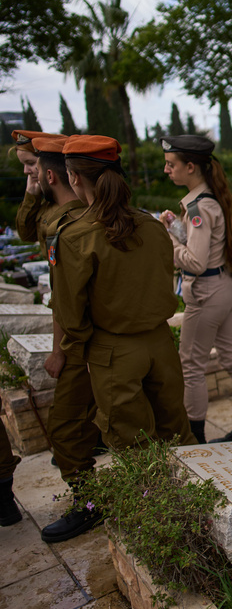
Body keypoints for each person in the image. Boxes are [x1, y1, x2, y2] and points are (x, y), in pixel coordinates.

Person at [47, 134, 195, 542]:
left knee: (133, 445)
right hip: (160, 343)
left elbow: (70, 312)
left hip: (113, 348)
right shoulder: (149, 224)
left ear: (75, 179)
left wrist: (79, 347)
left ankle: (163, 531)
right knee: (176, 431)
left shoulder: (77, 235)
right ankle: (194, 507)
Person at [158, 135, 232, 444]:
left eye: (171, 164)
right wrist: (178, 227)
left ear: (191, 167)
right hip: (223, 287)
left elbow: (196, 261)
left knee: (190, 364)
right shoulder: (208, 199)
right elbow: (206, 245)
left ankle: (196, 437)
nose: (166, 170)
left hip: (206, 293)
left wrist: (170, 239)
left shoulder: (201, 205)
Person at [33, 136, 104, 504]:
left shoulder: (67, 229)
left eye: (33, 169)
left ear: (55, 176)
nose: (30, 176)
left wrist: (60, 350)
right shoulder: (90, 218)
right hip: (104, 339)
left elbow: (66, 301)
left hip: (85, 342)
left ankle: (89, 502)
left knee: (63, 429)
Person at [11, 129, 62, 248]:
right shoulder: (47, 200)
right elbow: (27, 235)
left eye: (30, 163)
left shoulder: (64, 199)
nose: (25, 171)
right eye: (23, 164)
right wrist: (31, 196)